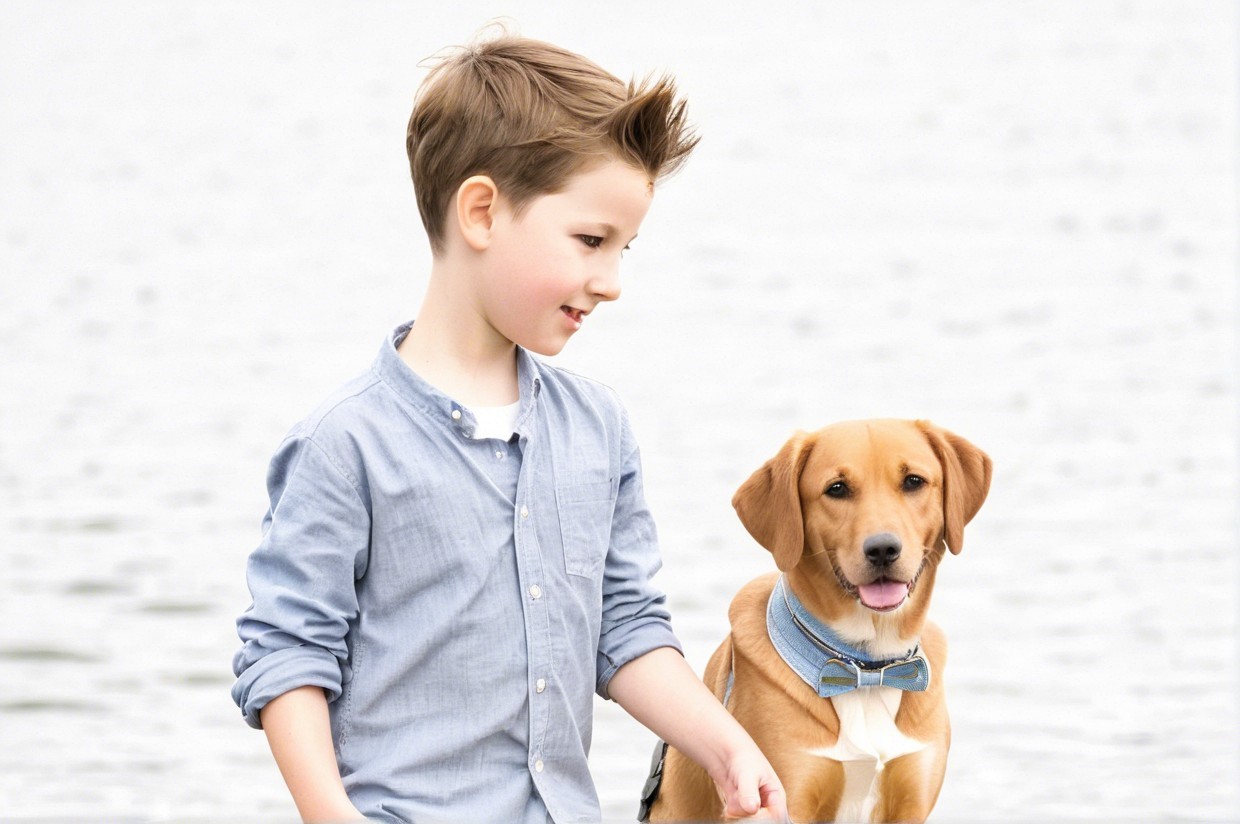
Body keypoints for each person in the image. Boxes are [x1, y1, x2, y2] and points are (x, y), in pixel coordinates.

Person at [231, 32, 787, 824]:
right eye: (592, 241)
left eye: (626, 249)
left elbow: (626, 629)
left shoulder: (599, 428)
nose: (613, 281)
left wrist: (727, 748)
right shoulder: (345, 443)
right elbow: (288, 655)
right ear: (483, 211)